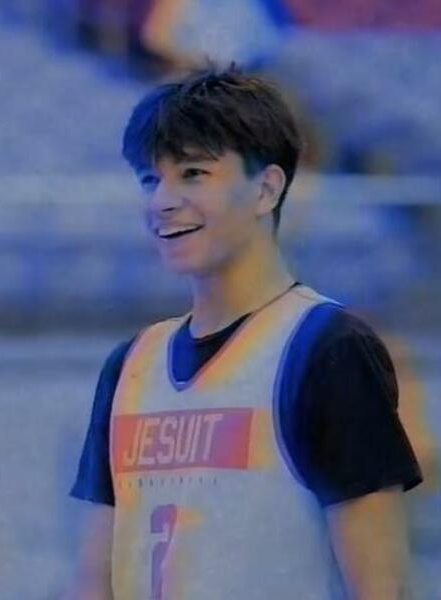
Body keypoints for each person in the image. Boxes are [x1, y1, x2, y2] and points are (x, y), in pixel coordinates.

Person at [65, 63, 423, 599]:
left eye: (193, 174)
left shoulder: (328, 347)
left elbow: (382, 588)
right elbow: (93, 584)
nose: (162, 200)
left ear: (267, 189)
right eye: (150, 179)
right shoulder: (130, 365)